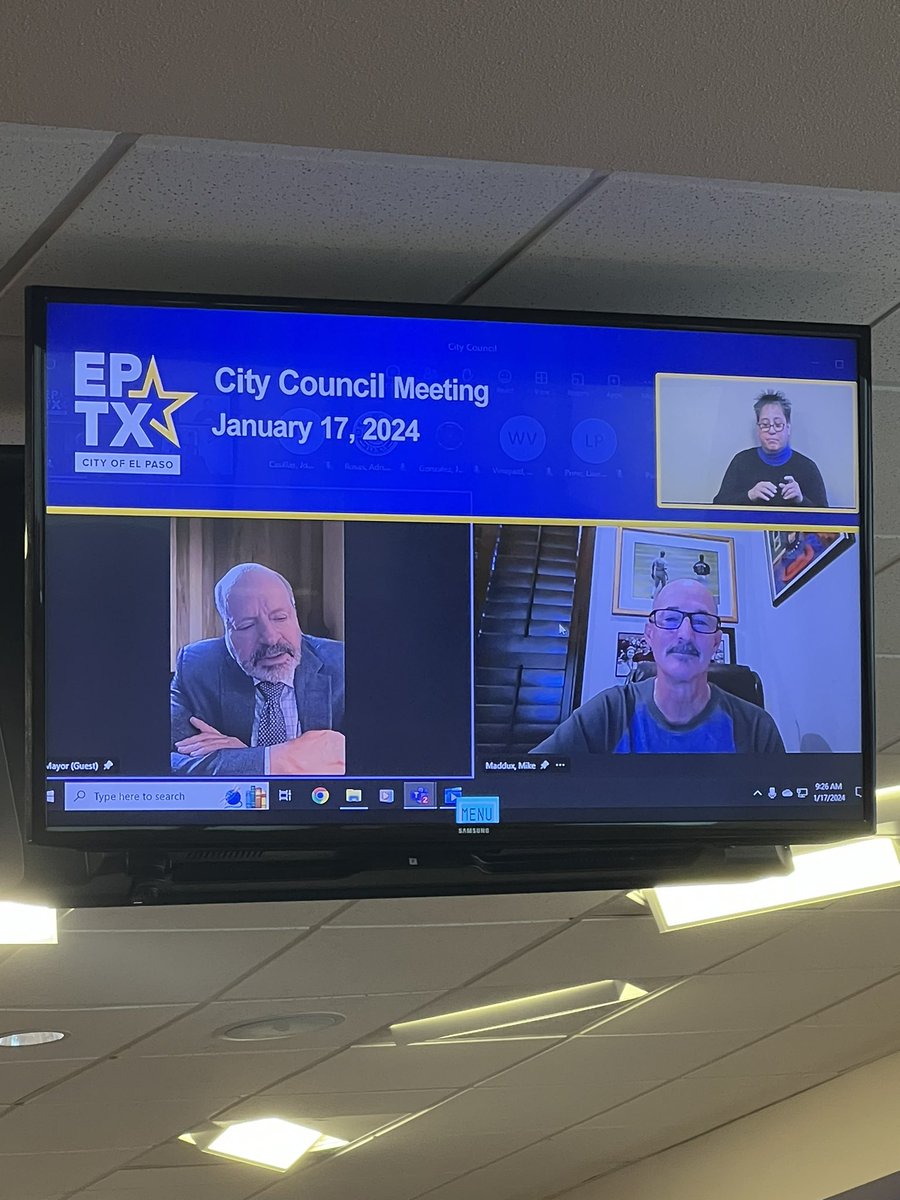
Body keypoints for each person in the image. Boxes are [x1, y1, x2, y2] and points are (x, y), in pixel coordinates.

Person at [533, 578, 784, 754]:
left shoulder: (757, 730)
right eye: (671, 619)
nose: (685, 634)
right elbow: (529, 786)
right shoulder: (609, 712)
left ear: (716, 642)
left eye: (701, 621)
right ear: (649, 635)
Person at [171, 562, 345, 776]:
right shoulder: (196, 666)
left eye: (280, 617)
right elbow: (163, 760)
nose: (270, 638)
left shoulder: (342, 664)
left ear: (295, 615)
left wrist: (235, 758)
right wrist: (269, 760)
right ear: (226, 630)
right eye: (247, 625)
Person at [713, 391, 828, 507]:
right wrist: (749, 495)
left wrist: (801, 500)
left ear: (788, 428)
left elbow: (827, 519)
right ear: (758, 429)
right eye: (765, 425)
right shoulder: (741, 461)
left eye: (778, 425)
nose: (772, 431)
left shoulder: (807, 467)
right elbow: (717, 506)